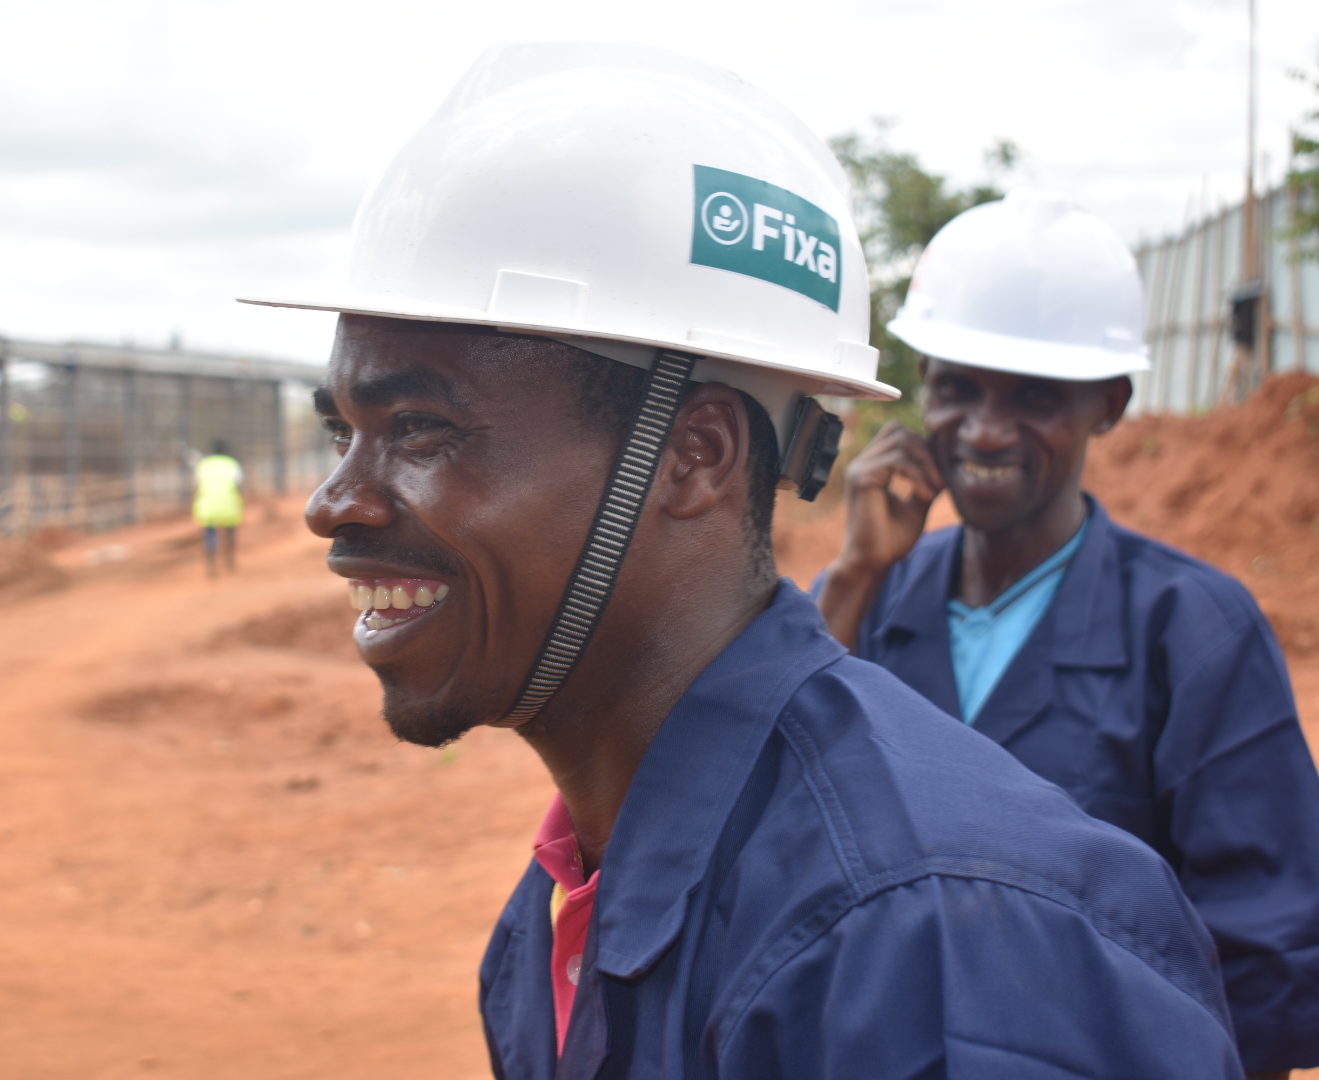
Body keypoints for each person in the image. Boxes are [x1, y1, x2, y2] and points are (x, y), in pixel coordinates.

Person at [242, 44, 1241, 1078]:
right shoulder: (560, 914)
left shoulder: (927, 953)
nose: (333, 505)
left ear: (694, 455)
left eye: (417, 429)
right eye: (341, 432)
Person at [815, 189, 1319, 1078]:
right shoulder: (876, 601)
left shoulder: (1193, 630)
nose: (984, 430)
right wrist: (853, 575)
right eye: (957, 389)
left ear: (1110, 405)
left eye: (1036, 397)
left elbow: (1264, 960)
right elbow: (767, 804)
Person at [193, 439, 243, 577]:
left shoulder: (203, 465)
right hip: (229, 504)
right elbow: (238, 484)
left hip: (208, 505)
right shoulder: (232, 464)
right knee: (230, 533)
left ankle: (211, 566)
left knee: (210, 534)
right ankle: (229, 559)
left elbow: (197, 485)